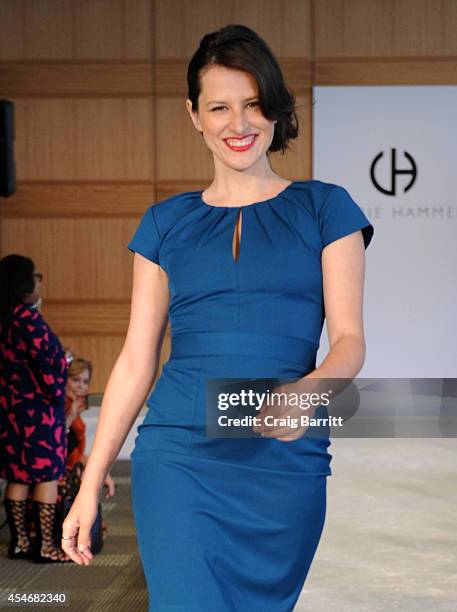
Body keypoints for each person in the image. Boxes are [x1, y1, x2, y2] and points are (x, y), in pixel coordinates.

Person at [61, 23, 374, 611]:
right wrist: (89, 480)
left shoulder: (326, 208)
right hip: (179, 453)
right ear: (194, 115)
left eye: (254, 104)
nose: (240, 124)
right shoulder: (163, 223)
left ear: (275, 110)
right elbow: (136, 359)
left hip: (282, 461)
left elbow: (350, 341)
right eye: (221, 107)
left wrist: (307, 392)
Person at [0, 254, 73, 562]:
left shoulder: (3, 317)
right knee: (46, 476)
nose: (39, 281)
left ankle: (19, 543)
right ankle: (46, 546)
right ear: (23, 283)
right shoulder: (28, 319)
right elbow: (49, 365)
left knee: (17, 476)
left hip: (8, 411)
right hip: (38, 413)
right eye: (35, 275)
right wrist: (65, 363)